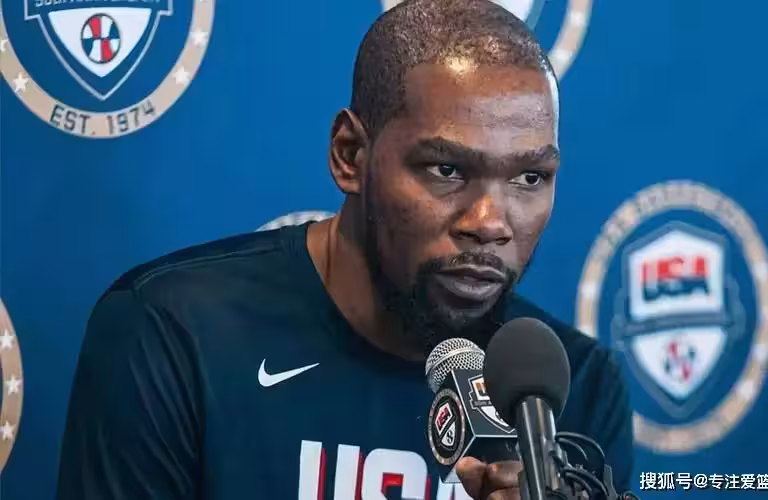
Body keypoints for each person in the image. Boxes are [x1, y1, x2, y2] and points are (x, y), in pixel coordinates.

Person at [55, 0, 634, 498]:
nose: (489, 224)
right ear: (350, 155)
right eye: (447, 169)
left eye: (530, 178)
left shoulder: (571, 391)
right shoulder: (174, 333)